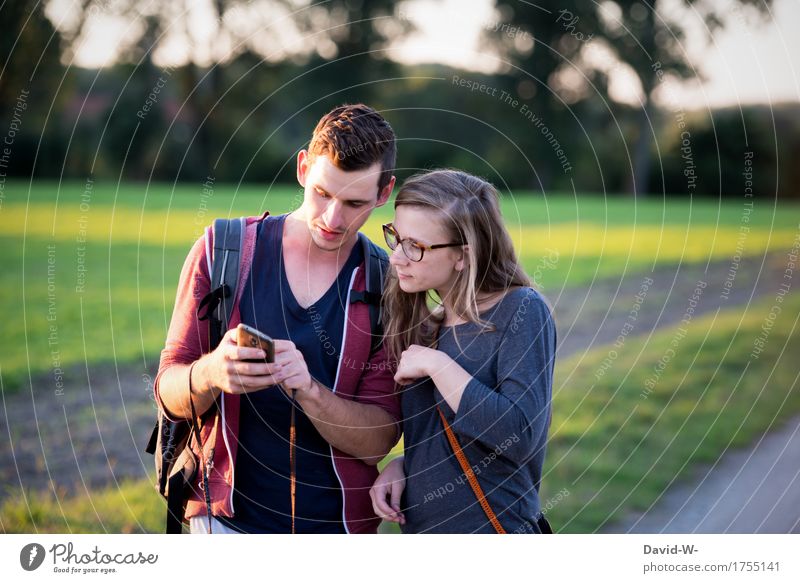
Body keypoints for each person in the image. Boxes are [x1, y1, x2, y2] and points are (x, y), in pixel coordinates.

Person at [155, 104, 401, 534]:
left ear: (384, 194)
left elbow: (379, 437)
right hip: (224, 525)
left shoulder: (387, 283)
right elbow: (168, 392)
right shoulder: (223, 250)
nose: (332, 219)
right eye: (323, 193)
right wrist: (212, 372)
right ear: (303, 168)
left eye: (355, 202)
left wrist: (309, 391)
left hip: (339, 532)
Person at [369, 169, 557, 534]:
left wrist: (439, 365)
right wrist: (405, 464)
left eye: (416, 247)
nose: (396, 258)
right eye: (396, 237)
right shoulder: (427, 327)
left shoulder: (521, 311)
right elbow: (457, 442)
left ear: (463, 255)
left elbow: (519, 437)